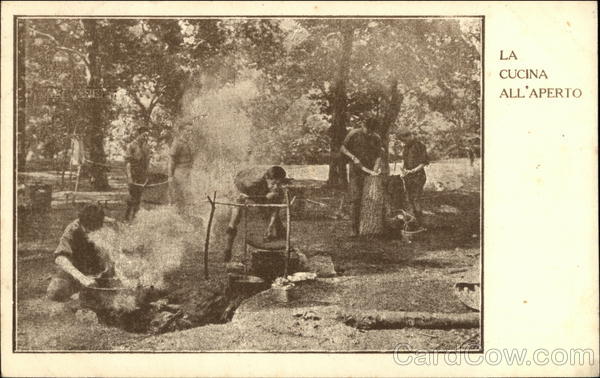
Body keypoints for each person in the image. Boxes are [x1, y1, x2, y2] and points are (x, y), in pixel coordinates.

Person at [46, 203, 111, 302]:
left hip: (100, 269)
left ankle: (84, 290)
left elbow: (119, 252)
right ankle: (79, 288)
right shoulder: (72, 229)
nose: (92, 235)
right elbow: (60, 258)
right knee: (55, 291)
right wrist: (82, 278)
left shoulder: (108, 225)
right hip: (77, 269)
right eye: (88, 231)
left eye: (96, 230)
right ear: (81, 223)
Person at [223, 166, 289, 262]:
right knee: (235, 219)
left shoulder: (278, 190)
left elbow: (275, 209)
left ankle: (281, 255)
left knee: (276, 224)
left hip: (260, 192)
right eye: (274, 183)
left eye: (279, 184)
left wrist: (270, 226)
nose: (276, 187)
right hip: (241, 188)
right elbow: (242, 192)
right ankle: (227, 250)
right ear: (267, 178)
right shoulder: (252, 182)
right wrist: (254, 197)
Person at [340, 118, 386, 236]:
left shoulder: (376, 138)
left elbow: (379, 155)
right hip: (356, 170)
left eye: (372, 130)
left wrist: (375, 170)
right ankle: (354, 229)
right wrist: (353, 157)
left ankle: (370, 226)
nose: (369, 132)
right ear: (362, 125)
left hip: (370, 171)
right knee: (356, 198)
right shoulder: (353, 134)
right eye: (367, 129)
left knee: (372, 198)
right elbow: (343, 148)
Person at [397, 128, 429, 228]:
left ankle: (421, 224)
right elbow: (404, 160)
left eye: (404, 140)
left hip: (418, 176)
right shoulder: (406, 147)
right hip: (409, 176)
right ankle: (414, 221)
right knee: (410, 199)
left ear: (409, 136)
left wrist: (413, 170)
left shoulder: (420, 145)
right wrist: (402, 168)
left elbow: (424, 162)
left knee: (415, 199)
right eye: (402, 141)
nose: (404, 142)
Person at [124, 126, 151, 221]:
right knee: (132, 197)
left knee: (139, 197)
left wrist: (147, 174)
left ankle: (135, 217)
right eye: (144, 135)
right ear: (139, 134)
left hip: (142, 174)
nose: (145, 137)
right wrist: (129, 177)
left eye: (147, 136)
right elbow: (128, 163)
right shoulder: (131, 146)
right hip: (133, 173)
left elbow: (147, 162)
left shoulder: (146, 147)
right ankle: (127, 217)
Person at [169, 121, 194, 216]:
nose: (189, 133)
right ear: (181, 131)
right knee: (180, 196)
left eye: (191, 131)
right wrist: (170, 176)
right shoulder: (177, 143)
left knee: (188, 196)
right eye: (187, 131)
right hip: (179, 172)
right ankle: (178, 217)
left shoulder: (189, 143)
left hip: (188, 173)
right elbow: (171, 160)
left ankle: (186, 216)